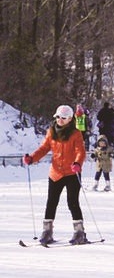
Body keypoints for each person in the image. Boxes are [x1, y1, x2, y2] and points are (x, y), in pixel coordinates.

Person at [24, 105, 89, 245]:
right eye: (58, 117)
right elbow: (44, 148)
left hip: (72, 172)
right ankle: (47, 232)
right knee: (51, 202)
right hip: (56, 173)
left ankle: (79, 232)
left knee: (72, 202)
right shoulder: (51, 131)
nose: (59, 120)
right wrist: (32, 158)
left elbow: (80, 151)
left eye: (63, 118)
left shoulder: (76, 133)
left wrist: (77, 163)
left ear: (70, 119)